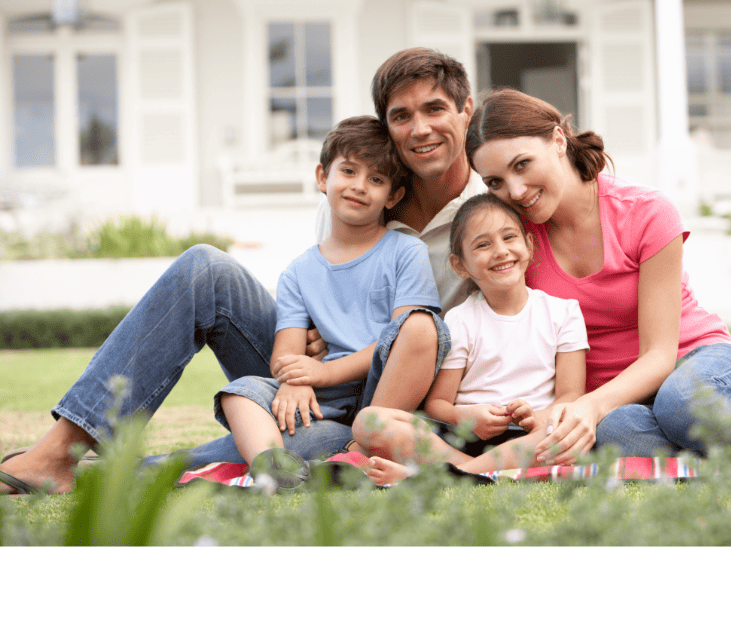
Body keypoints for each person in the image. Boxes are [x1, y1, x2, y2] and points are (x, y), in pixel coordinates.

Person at [0, 48, 484, 496]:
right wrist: (301, 363)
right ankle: (57, 453)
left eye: (435, 109)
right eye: (402, 116)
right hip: (320, 382)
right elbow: (315, 303)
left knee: (295, 449)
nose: (419, 129)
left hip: (404, 400)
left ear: (465, 112)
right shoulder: (351, 203)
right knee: (203, 268)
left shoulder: (492, 208)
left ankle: (108, 475)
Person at [464, 87, 731, 467]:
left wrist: (589, 405)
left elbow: (659, 355)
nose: (515, 192)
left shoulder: (645, 212)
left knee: (682, 404)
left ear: (558, 140)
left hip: (697, 365)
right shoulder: (516, 242)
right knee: (615, 435)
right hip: (618, 401)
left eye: (523, 165)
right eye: (496, 182)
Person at [215, 116, 444, 491]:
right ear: (323, 177)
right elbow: (284, 355)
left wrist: (320, 374)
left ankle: (353, 448)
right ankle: (276, 468)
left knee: (422, 325)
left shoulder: (406, 252)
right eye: (349, 171)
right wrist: (296, 380)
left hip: (383, 398)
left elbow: (408, 338)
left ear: (394, 196)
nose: (359, 186)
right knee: (237, 394)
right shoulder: (299, 271)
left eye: (376, 179)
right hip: (322, 406)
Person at [352, 193, 587, 486]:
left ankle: (443, 476)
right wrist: (468, 418)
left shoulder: (563, 312)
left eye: (509, 237)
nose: (500, 251)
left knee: (566, 429)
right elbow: (438, 404)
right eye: (483, 245)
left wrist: (538, 416)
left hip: (528, 438)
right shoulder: (461, 319)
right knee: (368, 422)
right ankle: (469, 473)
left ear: (529, 245)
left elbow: (572, 396)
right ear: (460, 265)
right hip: (461, 439)